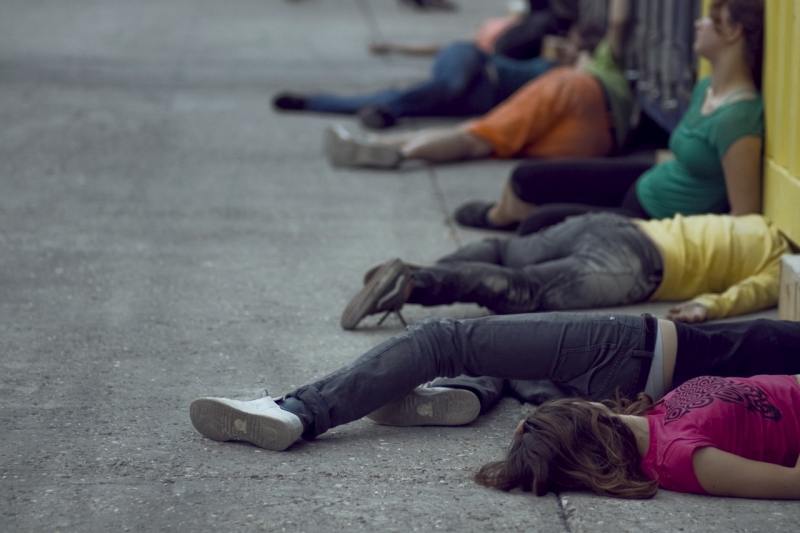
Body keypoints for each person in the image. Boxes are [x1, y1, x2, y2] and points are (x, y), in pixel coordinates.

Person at [189, 312, 800, 455]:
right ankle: (468, 395)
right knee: (508, 365)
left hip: (633, 345)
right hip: (643, 380)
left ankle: (300, 410)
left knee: (446, 338)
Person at [455, 0, 765, 232]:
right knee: (527, 176)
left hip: (654, 223)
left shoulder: (739, 117)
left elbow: (743, 221)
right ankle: (499, 214)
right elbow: (682, 159)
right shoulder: (707, 87)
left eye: (711, 20)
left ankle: (508, 219)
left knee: (537, 223)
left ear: (733, 32)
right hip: (645, 185)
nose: (698, 24)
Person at [339, 212, 788, 331]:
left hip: (612, 225)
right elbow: (745, 296)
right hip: (641, 266)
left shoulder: (763, 224)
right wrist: (706, 307)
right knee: (525, 291)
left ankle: (418, 271)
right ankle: (415, 283)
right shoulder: (781, 265)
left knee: (504, 252)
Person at [321, 0, 632, 168]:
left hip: (575, 94)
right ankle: (377, 145)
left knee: (473, 136)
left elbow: (618, 21)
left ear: (582, 48)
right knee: (478, 134)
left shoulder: (592, 66)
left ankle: (398, 152)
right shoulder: (622, 79)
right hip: (596, 142)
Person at [477, 374, 800, 499]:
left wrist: (528, 434)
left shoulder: (649, 419)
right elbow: (794, 482)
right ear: (591, 430)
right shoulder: (679, 457)